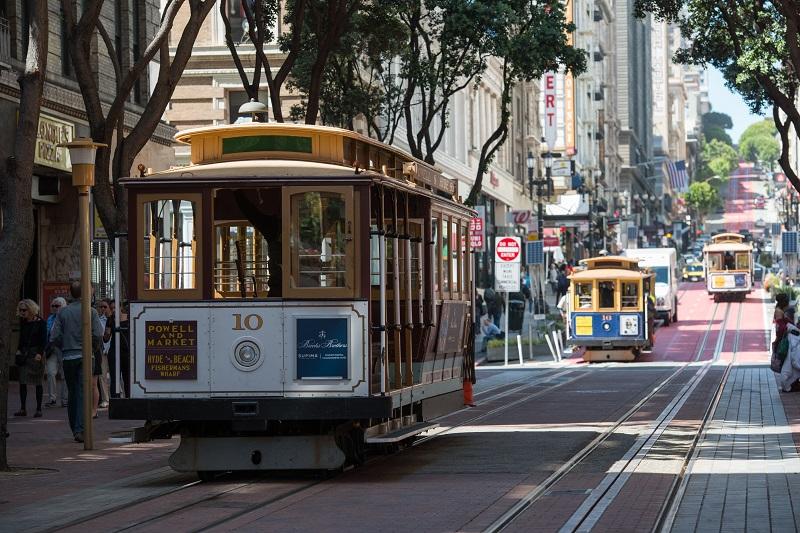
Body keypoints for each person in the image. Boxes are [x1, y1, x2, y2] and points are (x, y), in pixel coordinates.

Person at [50, 282, 104, 443]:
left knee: (73, 392)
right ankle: (80, 429)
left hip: (68, 356)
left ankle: (75, 427)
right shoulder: (91, 312)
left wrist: (66, 346)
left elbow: (54, 337)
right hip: (86, 356)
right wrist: (92, 348)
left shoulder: (63, 313)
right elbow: (97, 335)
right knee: (82, 392)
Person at [14, 299, 47, 418]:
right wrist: (18, 350)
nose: (22, 312)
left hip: (36, 353)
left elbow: (44, 340)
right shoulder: (23, 322)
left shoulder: (41, 323)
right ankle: (23, 408)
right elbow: (21, 337)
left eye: (24, 310)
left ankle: (38, 409)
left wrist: (40, 353)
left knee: (38, 382)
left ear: (31, 309)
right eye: (20, 310)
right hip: (24, 353)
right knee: (22, 381)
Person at [44, 297, 68, 408]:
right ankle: (52, 398)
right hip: (51, 348)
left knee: (64, 374)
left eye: (57, 306)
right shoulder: (50, 318)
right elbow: (47, 334)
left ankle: (65, 399)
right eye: (53, 306)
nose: (54, 308)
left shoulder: (67, 317)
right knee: (50, 372)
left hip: (63, 348)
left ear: (63, 306)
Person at [779, 308, 800, 392]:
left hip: (785, 380)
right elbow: (795, 361)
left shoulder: (790, 331)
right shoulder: (796, 338)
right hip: (788, 382)